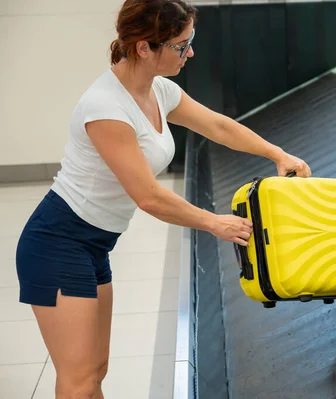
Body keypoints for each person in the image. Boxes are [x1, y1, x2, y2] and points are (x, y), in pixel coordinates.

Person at [15, 0, 311, 397]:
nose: (190, 53)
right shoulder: (105, 108)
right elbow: (148, 197)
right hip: (57, 244)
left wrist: (278, 154)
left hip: (94, 245)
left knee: (94, 371)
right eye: (180, 45)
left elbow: (219, 126)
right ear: (144, 47)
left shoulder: (159, 89)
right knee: (79, 377)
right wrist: (213, 221)